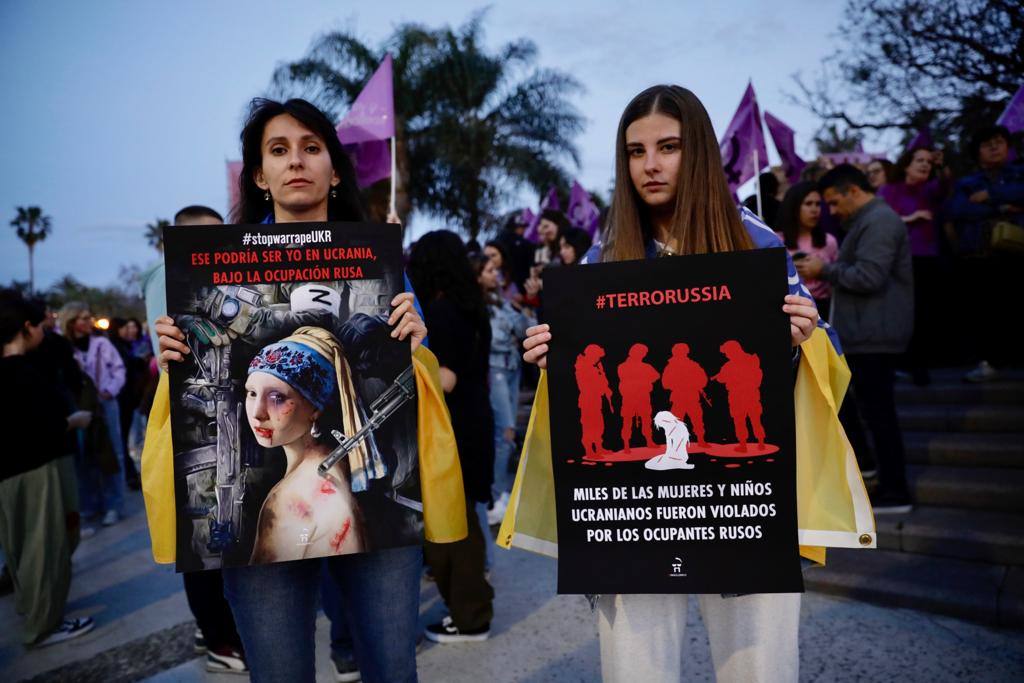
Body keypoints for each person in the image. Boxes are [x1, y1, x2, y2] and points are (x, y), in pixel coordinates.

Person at [521, 84, 821, 682]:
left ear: (700, 152)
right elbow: (577, 383)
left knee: (759, 669)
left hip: (743, 502)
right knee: (636, 670)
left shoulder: (756, 244)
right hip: (630, 508)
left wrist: (802, 339)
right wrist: (550, 354)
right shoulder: (602, 260)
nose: (650, 165)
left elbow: (820, 367)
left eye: (668, 147)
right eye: (635, 152)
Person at [156, 98, 427, 683]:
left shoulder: (381, 264)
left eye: (311, 147)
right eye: (278, 150)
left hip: (378, 509)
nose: (296, 161)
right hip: (256, 506)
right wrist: (175, 355)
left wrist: (418, 348)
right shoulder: (216, 269)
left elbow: (439, 382)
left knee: (392, 669)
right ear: (259, 174)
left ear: (335, 169)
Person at [796, 163, 914, 513]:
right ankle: (888, 484)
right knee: (874, 414)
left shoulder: (879, 221)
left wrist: (823, 270)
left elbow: (869, 276)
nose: (831, 211)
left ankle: (895, 491)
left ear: (854, 191)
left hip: (875, 335)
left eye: (834, 202)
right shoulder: (869, 221)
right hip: (867, 333)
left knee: (880, 417)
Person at [409, 230, 495, 644]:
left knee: (453, 528)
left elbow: (445, 378)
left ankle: (469, 615)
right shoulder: (471, 306)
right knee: (466, 519)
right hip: (475, 420)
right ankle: (471, 608)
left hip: (453, 428)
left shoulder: (441, 312)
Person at [0, 289, 95, 647]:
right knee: (44, 547)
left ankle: (33, 610)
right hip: (37, 469)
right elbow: (45, 424)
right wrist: (75, 421)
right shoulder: (22, 372)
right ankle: (43, 625)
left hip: (12, 473)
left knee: (22, 547)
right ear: (26, 327)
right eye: (40, 325)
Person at [245, 328, 367, 563]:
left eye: (277, 397)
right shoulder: (338, 465)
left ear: (315, 408)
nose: (258, 413)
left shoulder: (288, 500)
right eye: (251, 393)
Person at [947, 124, 1024, 382]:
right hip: (981, 257)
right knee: (986, 313)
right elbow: (959, 211)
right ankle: (989, 362)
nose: (993, 147)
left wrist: (991, 195)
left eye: (999, 141)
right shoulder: (967, 183)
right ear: (977, 152)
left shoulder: (1018, 174)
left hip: (1017, 254)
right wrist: (1004, 207)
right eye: (986, 143)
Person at [878, 145, 949, 384]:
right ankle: (901, 363)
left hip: (928, 259)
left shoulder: (930, 190)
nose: (925, 165)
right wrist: (911, 218)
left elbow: (946, 185)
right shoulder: (889, 190)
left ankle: (921, 365)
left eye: (929, 161)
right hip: (899, 261)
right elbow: (882, 221)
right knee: (902, 312)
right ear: (906, 165)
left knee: (925, 312)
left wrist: (942, 166)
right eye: (920, 160)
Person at [476, 252, 533, 526]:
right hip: (495, 369)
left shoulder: (500, 300)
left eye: (495, 270)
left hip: (512, 368)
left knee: (505, 435)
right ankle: (494, 497)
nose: (495, 275)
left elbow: (525, 329)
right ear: (477, 275)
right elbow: (496, 338)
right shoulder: (477, 304)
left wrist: (525, 307)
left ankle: (497, 494)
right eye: (489, 270)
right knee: (506, 433)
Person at [59, 301, 126, 527]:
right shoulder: (65, 348)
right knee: (84, 457)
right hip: (79, 407)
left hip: (105, 404)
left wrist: (110, 390)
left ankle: (114, 504)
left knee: (112, 453)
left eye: (90, 317)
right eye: (84, 318)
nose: (89, 321)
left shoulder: (101, 343)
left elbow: (118, 369)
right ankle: (90, 506)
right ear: (71, 321)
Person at [776, 181, 839, 317]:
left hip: (823, 309)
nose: (814, 209)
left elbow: (837, 277)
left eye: (818, 204)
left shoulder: (829, 241)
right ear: (794, 206)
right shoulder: (776, 241)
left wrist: (821, 270)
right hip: (790, 309)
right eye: (808, 204)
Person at [483, 240, 523, 304]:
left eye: (493, 255)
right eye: (486, 256)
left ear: (502, 256)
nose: (490, 259)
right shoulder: (485, 278)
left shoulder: (512, 272)